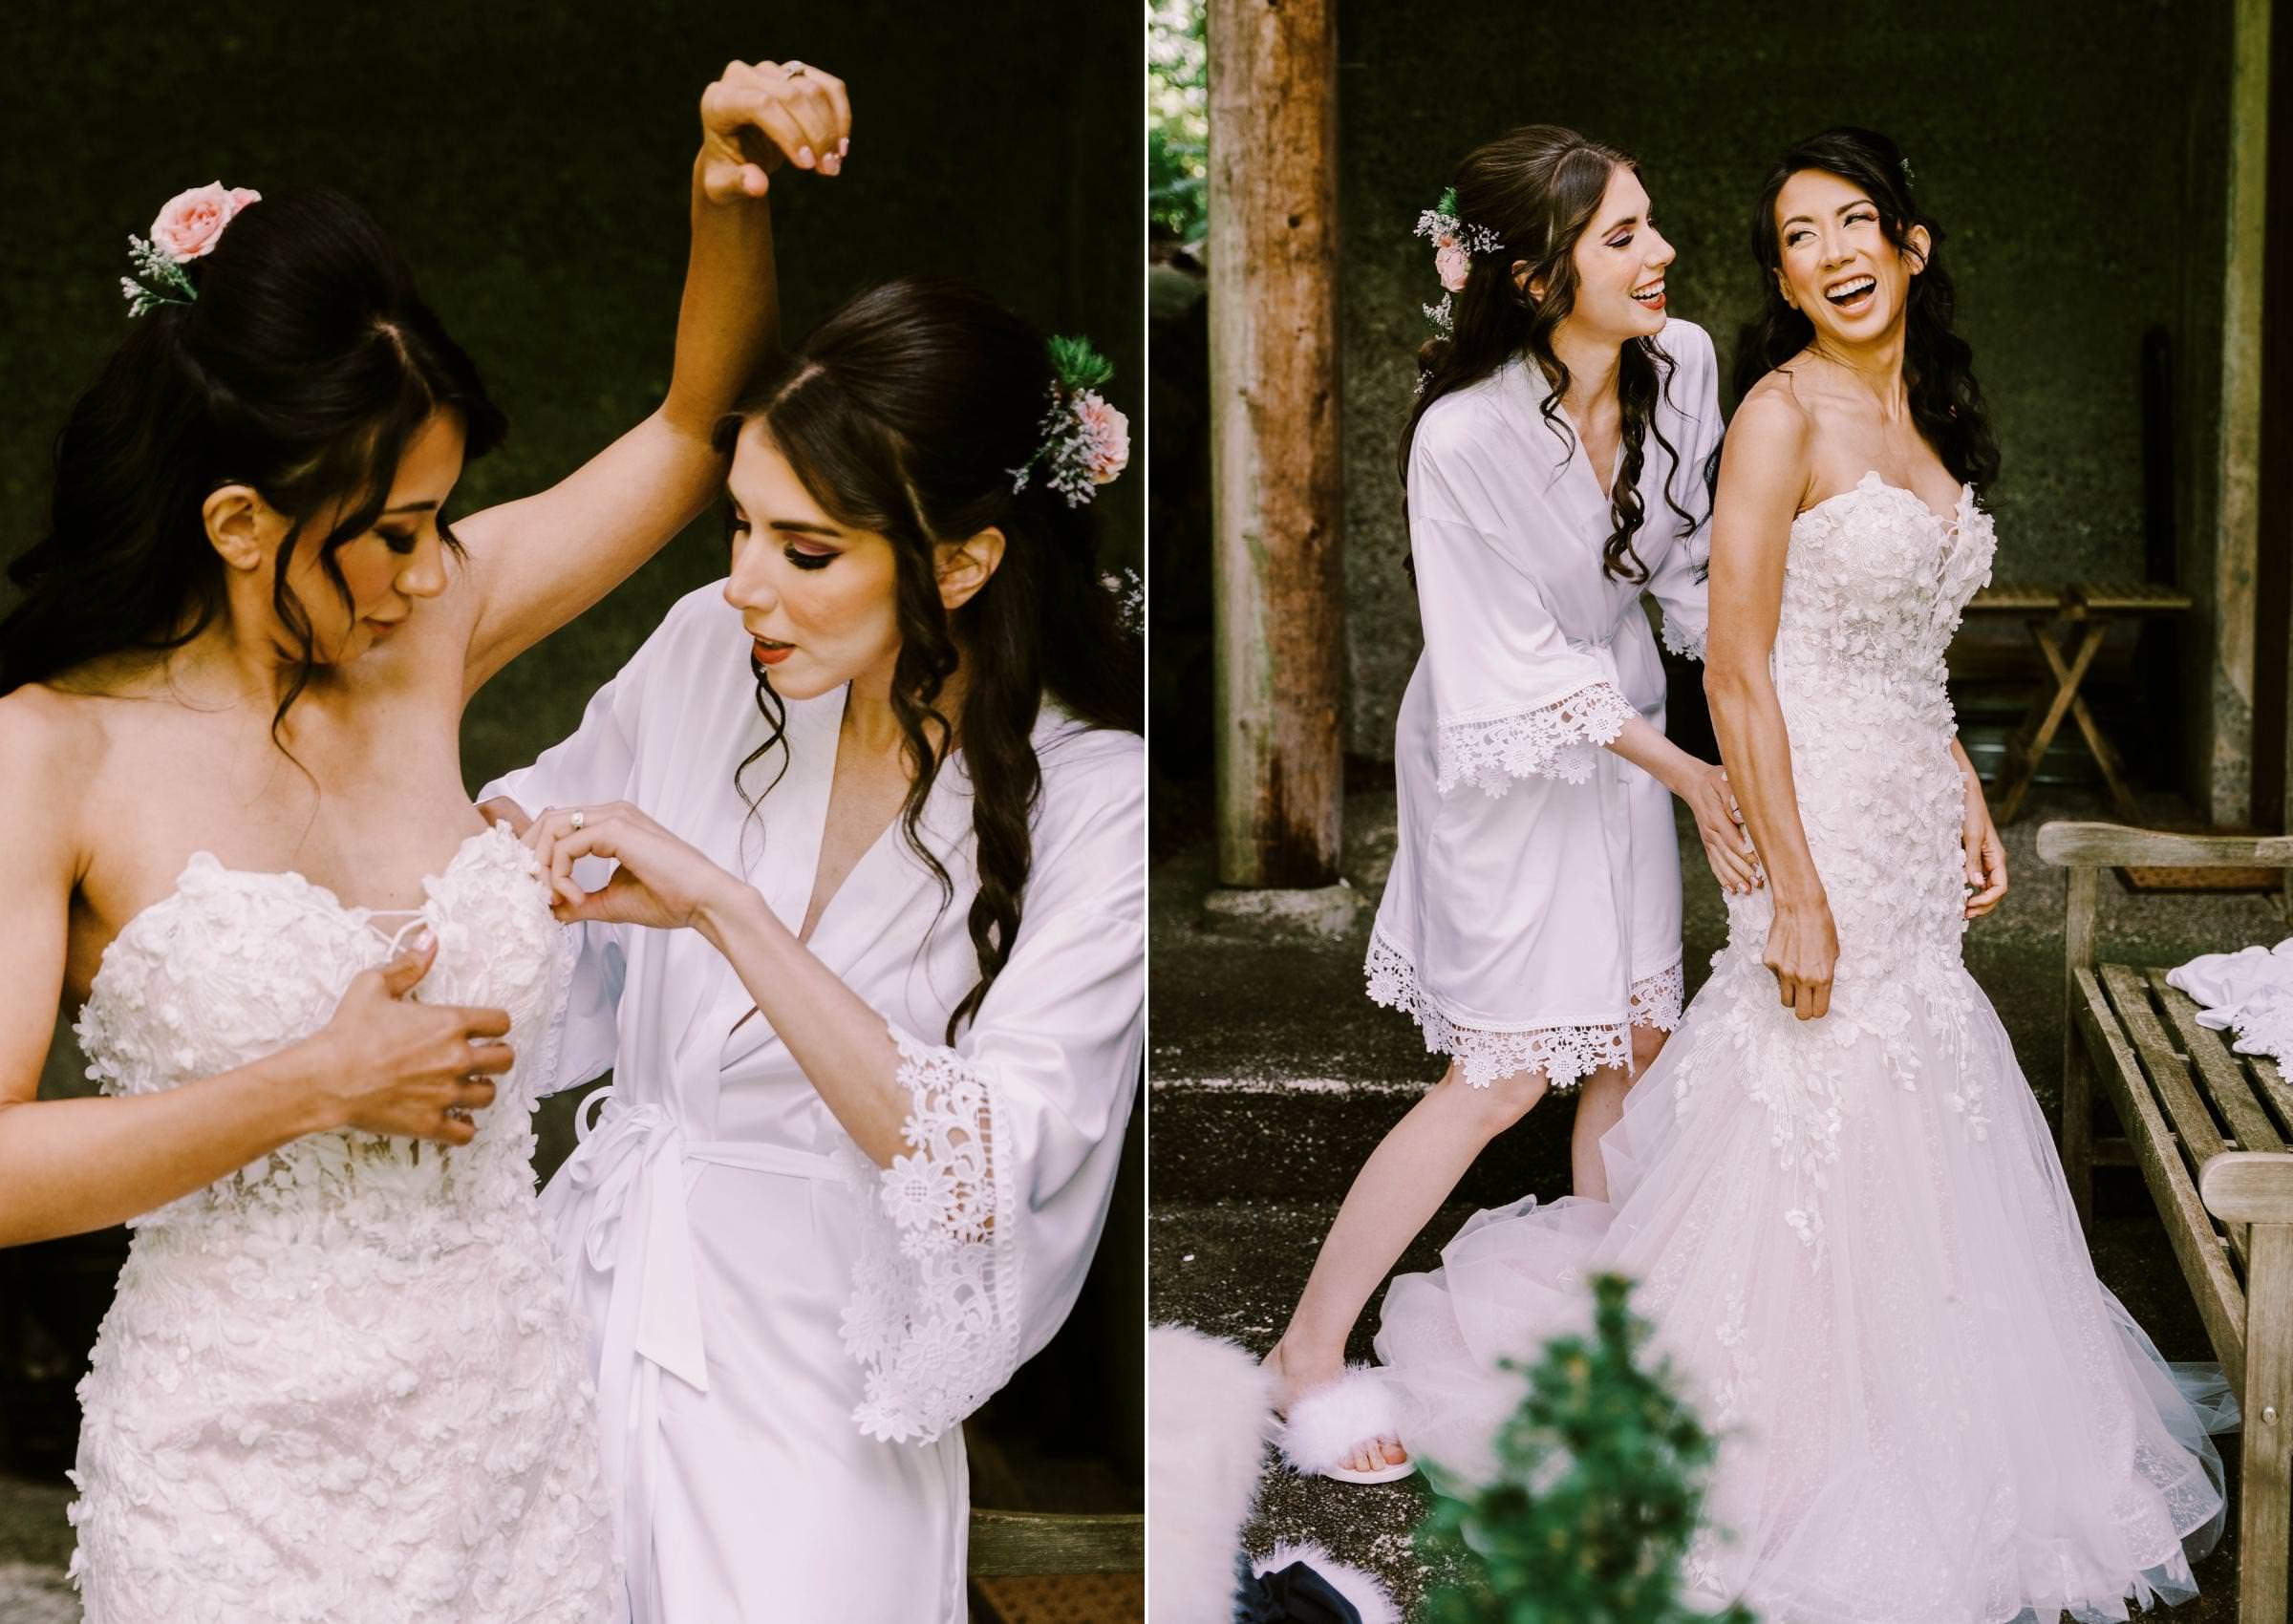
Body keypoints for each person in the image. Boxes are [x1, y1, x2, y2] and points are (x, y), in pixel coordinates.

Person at [0, 57, 849, 1622]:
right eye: (389, 530)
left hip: (507, 1441)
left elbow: (690, 428)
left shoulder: (428, 625)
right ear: (239, 521)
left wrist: (723, 188)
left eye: (440, 519)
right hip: (227, 1476)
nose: (425, 568)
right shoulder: (54, 753)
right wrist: (305, 1088)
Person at [1374, 128, 2234, 1620]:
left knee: (1923, 1084)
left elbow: (1908, 645)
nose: (1828, 252)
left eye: (1854, 223)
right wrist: (1798, 883)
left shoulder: (1935, 416)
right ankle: (1784, 1431)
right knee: (1814, 1081)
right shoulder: (1776, 415)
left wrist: (1962, 774)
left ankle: (1912, 1388)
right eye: (1794, 236)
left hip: (1905, 796)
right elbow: (1749, 672)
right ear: (1781, 275)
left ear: (1912, 242)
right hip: (1813, 803)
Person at [478, 278, 1144, 1623]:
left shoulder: (1102, 798)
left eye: (807, 549)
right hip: (579, 1306)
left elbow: (987, 1165)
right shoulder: (701, 654)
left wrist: (728, 908)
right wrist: (501, 871)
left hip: (823, 1371)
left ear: (963, 560)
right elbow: (515, 866)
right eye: (739, 526)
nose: (744, 585)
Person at [1263, 125, 1747, 1485]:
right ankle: (1303, 1352)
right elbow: (1512, 668)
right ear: (1535, 278)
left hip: (1637, 728)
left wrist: (1771, 720)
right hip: (1504, 757)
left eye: (1651, 224)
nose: (1661, 257)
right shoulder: (1462, 440)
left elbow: (1688, 571)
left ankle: (1606, 1355)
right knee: (1502, 1075)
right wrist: (1691, 772)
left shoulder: (1688, 363)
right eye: (1624, 239)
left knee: (1637, 1037)